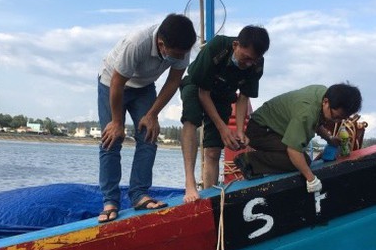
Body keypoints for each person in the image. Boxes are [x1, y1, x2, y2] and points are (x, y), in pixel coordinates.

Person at [97, 14, 196, 223]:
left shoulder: (182, 49)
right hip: (112, 84)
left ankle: (139, 194)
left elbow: (173, 82)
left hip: (144, 88)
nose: (180, 59)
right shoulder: (137, 43)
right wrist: (117, 123)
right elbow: (117, 83)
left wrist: (152, 115)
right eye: (176, 54)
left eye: (183, 55)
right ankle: (110, 201)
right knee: (111, 140)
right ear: (161, 44)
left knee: (149, 136)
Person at [180, 25, 270, 203]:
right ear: (236, 45)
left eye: (253, 60)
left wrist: (239, 131)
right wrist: (222, 128)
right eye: (245, 58)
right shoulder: (218, 46)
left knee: (213, 150)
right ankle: (190, 183)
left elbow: (244, 97)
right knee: (191, 119)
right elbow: (203, 93)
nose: (248, 64)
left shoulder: (256, 63)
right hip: (197, 86)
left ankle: (209, 195)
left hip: (224, 95)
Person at [234, 83, 362, 193]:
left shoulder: (324, 94)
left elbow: (316, 122)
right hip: (261, 130)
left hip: (275, 128)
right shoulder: (306, 112)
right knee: (303, 161)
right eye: (336, 117)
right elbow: (293, 150)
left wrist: (329, 139)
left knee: (299, 157)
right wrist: (311, 179)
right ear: (326, 102)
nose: (337, 121)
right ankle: (249, 162)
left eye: (342, 118)